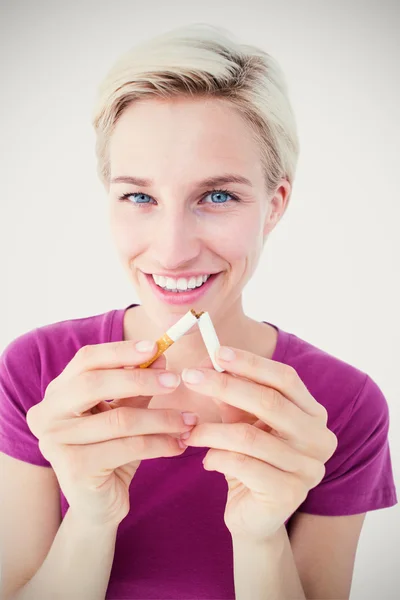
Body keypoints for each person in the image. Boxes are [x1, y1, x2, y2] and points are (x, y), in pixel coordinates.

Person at [0, 23, 397, 600]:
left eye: (218, 196)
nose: (171, 250)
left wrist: (261, 539)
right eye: (140, 197)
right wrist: (90, 517)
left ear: (274, 205)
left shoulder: (343, 406)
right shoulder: (36, 371)